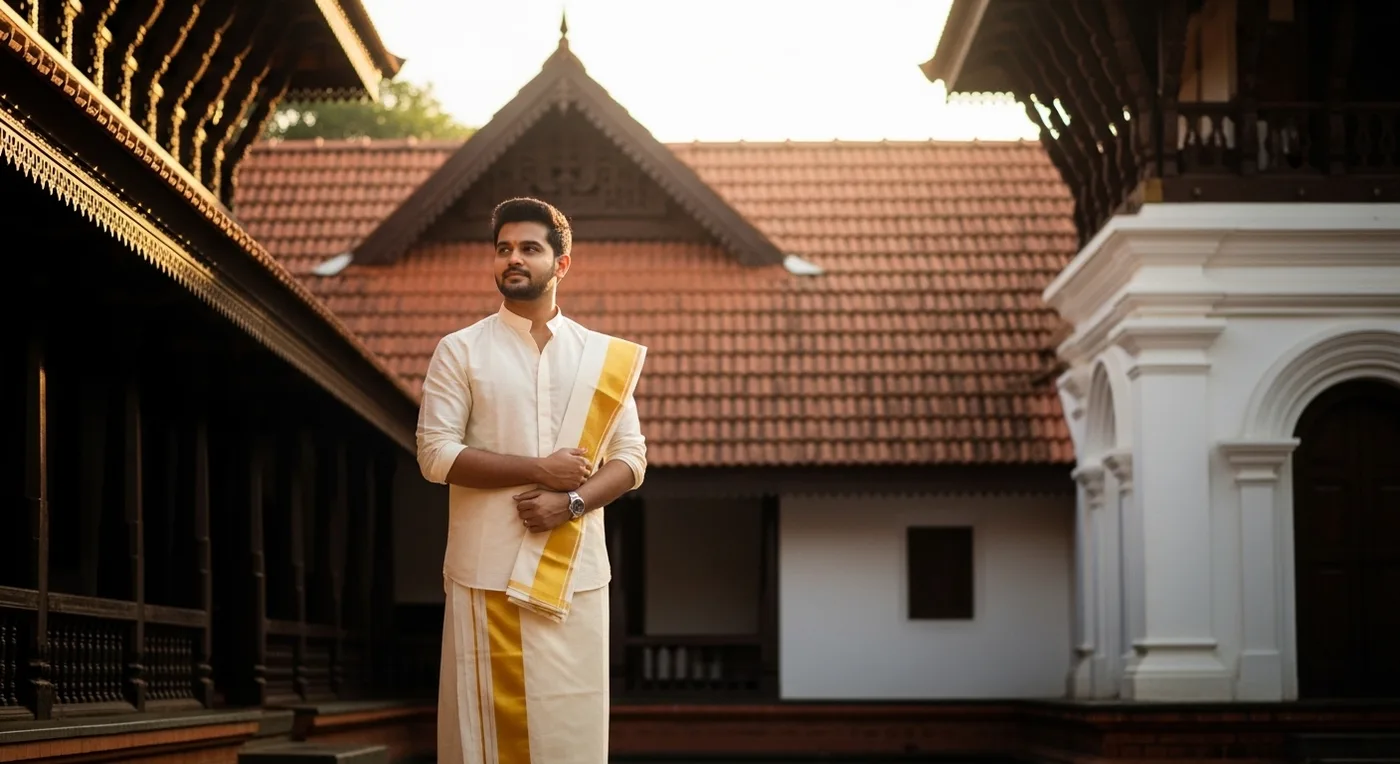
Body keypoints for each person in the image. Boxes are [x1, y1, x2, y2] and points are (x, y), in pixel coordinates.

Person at [416, 197, 647, 764]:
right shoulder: (460, 350)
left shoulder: (600, 358)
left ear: (561, 263)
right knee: (488, 742)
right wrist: (537, 468)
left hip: (574, 578)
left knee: (572, 735)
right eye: (503, 249)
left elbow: (631, 459)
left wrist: (571, 503)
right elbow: (435, 455)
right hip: (487, 576)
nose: (512, 258)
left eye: (528, 248)